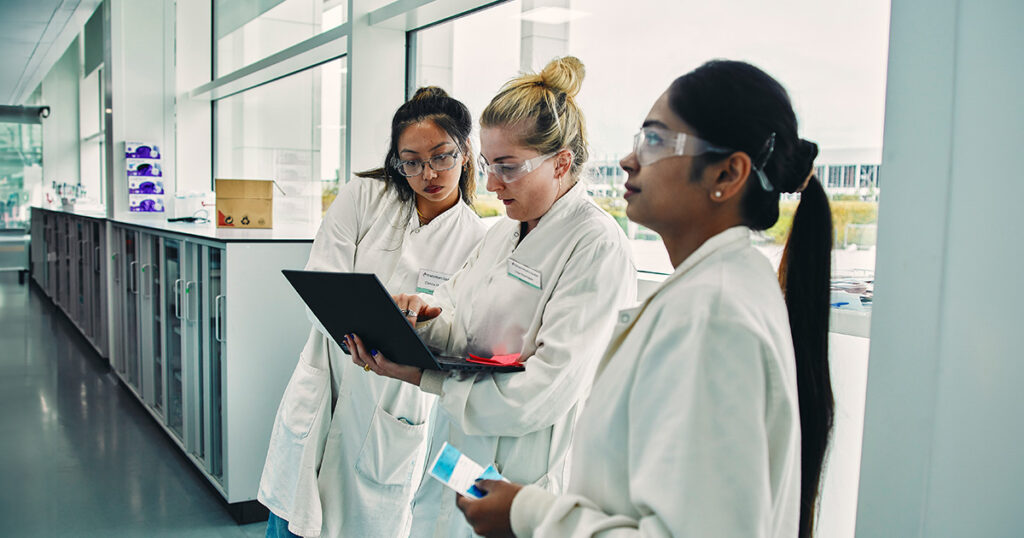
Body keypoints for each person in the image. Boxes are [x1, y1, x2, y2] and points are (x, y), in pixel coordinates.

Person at [454, 59, 836, 538]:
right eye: (640, 139)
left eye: (656, 141)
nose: (629, 160)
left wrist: (529, 515)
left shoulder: (713, 314)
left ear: (727, 173)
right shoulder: (716, 289)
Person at [345, 56, 637, 538]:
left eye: (508, 167)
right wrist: (420, 320)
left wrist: (425, 377)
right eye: (487, 165)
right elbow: (457, 316)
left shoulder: (597, 247)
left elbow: (543, 392)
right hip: (460, 456)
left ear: (562, 162)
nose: (492, 183)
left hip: (521, 475)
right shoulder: (503, 232)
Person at [257, 87, 487, 538]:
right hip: (325, 382)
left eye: (442, 157)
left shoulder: (477, 239)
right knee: (288, 524)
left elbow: (459, 329)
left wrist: (423, 320)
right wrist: (374, 321)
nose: (429, 173)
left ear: (465, 153)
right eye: (412, 161)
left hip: (393, 408)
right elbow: (321, 284)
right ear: (396, 161)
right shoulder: (366, 196)